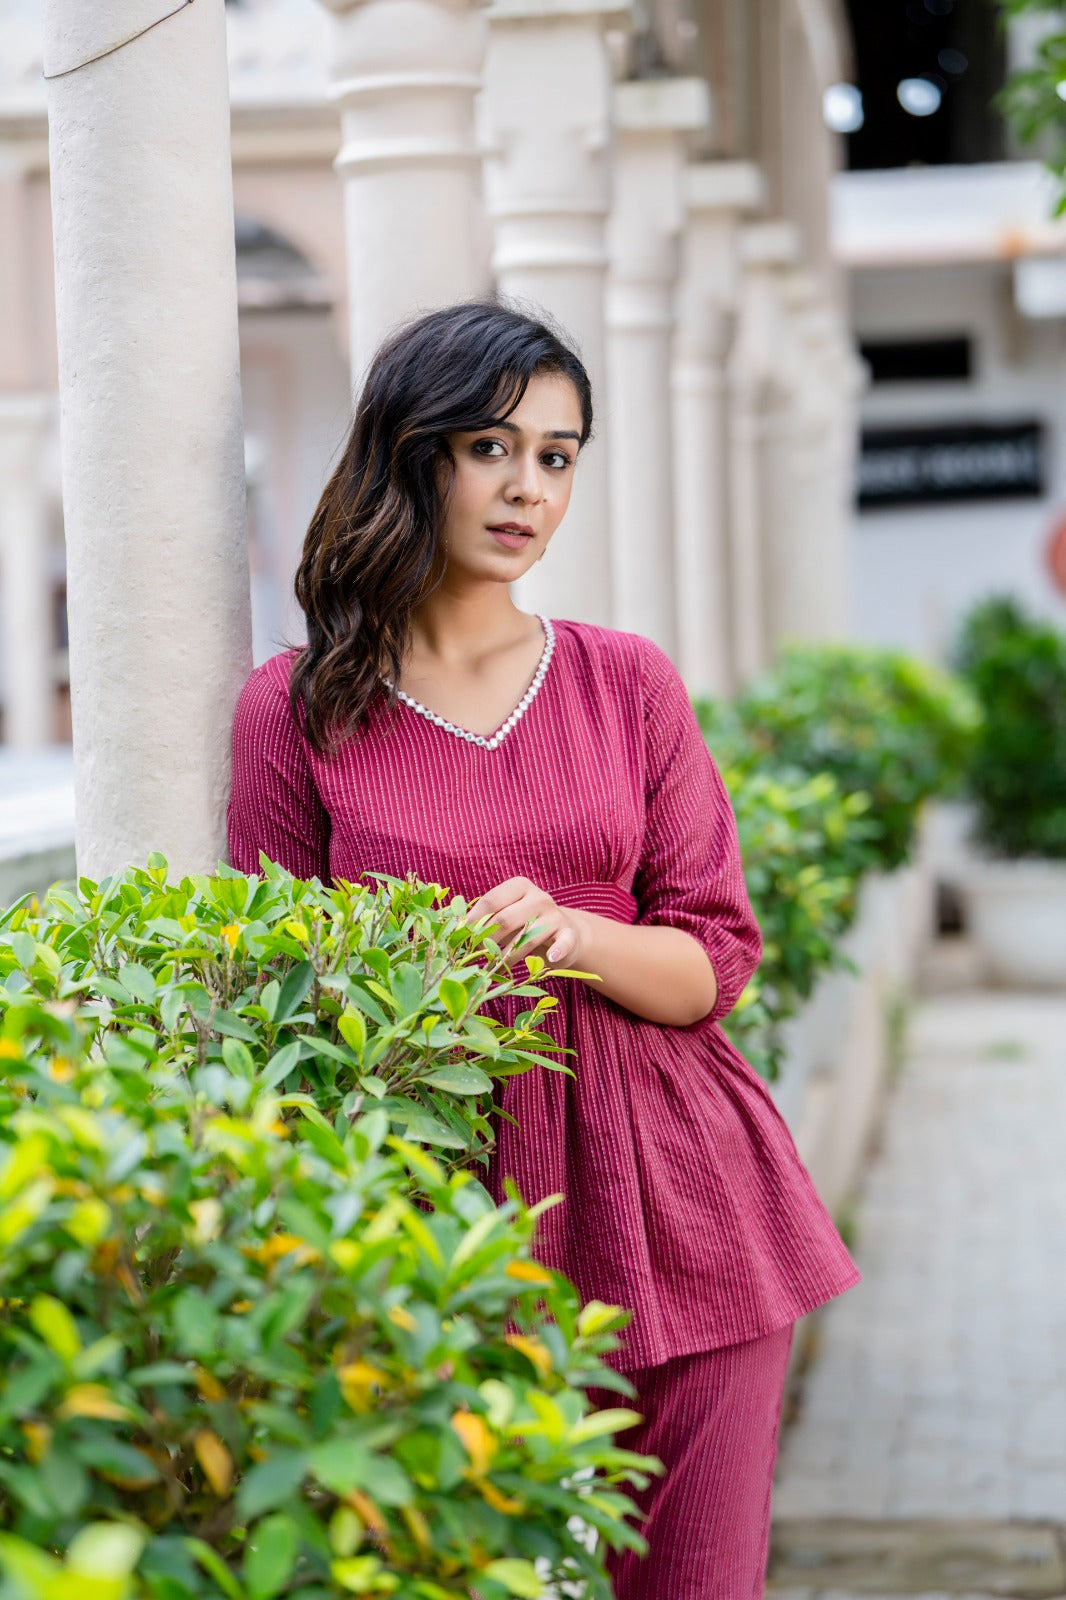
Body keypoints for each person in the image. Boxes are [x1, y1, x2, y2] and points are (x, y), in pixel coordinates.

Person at [227, 299, 860, 1599]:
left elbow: (708, 962)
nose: (528, 488)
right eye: (491, 447)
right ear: (413, 452)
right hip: (439, 1222)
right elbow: (270, 1005)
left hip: (689, 1204)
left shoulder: (623, 682)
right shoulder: (295, 714)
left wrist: (568, 932)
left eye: (558, 456)